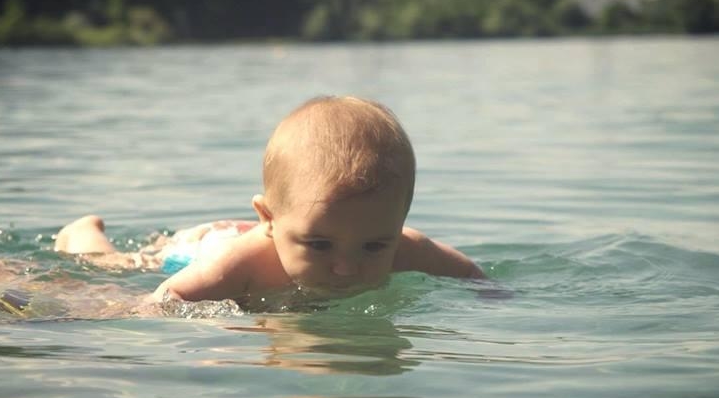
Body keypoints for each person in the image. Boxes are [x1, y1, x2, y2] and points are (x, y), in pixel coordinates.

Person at [54, 95, 485, 304]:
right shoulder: (239, 265)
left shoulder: (406, 248)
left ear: (398, 223)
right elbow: (163, 301)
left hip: (270, 229)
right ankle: (83, 233)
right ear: (267, 218)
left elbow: (472, 277)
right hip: (206, 245)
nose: (346, 267)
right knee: (121, 265)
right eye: (319, 245)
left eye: (374, 246)